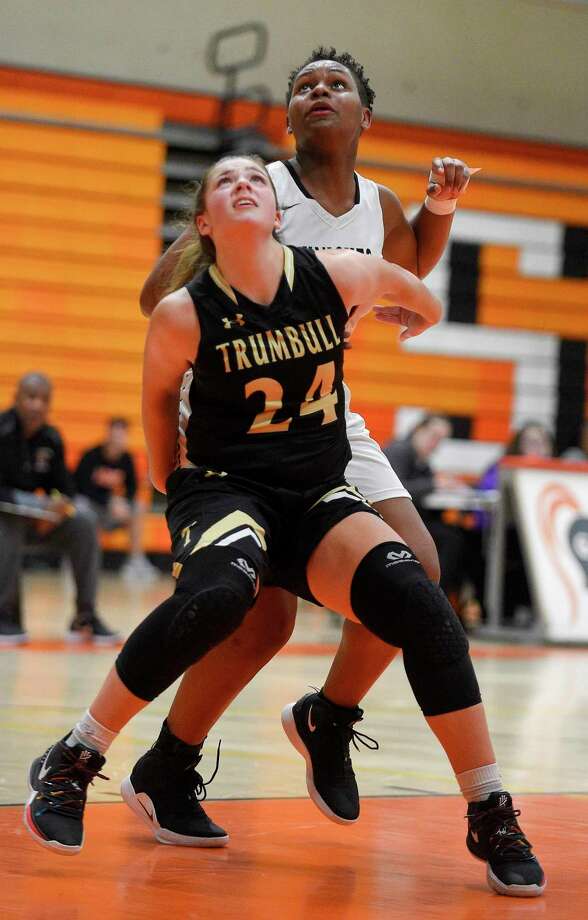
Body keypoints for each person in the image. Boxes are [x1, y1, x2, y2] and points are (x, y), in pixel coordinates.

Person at [25, 156, 545, 898]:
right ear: (203, 223)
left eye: (255, 181)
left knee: (420, 599)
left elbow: (423, 300)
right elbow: (156, 432)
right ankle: (75, 758)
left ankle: (489, 807)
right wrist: (188, 501)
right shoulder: (184, 313)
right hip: (226, 487)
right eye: (223, 182)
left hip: (315, 490)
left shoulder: (336, 275)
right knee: (223, 599)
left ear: (277, 213)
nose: (242, 184)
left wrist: (399, 314)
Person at [135, 48, 476, 832]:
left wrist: (440, 208)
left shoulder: (380, 202)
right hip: (238, 411)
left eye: (338, 85)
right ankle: (167, 765)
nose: (320, 91)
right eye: (304, 86)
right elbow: (158, 294)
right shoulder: (259, 192)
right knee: (263, 620)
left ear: (365, 117)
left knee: (419, 569)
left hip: (324, 408)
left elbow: (411, 262)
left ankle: (329, 714)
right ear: (287, 119)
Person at [0, 373, 119, 644]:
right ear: (16, 398)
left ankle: (85, 617)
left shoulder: (51, 438)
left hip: (37, 522)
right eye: (31, 397)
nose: (37, 405)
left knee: (85, 520)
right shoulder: (2, 431)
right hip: (6, 523)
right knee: (8, 520)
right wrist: (36, 506)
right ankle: (4, 615)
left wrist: (56, 510)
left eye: (44, 400)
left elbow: (66, 489)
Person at [75, 417, 159, 582]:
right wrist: (108, 501)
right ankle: (77, 560)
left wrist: (124, 503)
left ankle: (135, 562)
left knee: (139, 506)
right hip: (93, 509)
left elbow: (132, 489)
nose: (118, 439)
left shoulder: (127, 459)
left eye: (122, 436)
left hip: (113, 513)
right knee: (79, 505)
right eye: (115, 435)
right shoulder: (91, 456)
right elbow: (80, 488)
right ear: (108, 434)